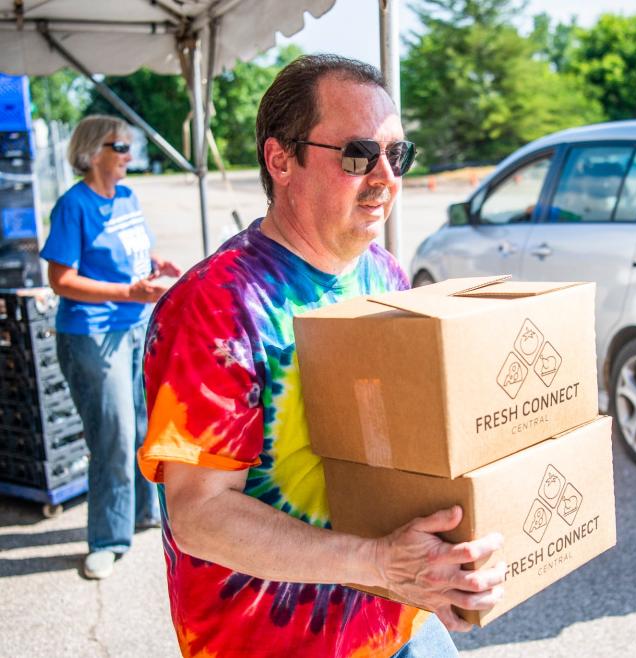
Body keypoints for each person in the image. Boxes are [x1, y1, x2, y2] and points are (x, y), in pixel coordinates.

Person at [136, 55, 506, 657]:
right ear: (281, 159)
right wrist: (380, 561)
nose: (386, 175)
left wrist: (444, 571)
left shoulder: (385, 273)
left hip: (402, 619)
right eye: (359, 154)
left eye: (399, 155)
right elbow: (199, 513)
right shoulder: (212, 306)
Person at [39, 115, 180, 580]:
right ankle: (106, 538)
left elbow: (133, 251)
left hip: (136, 327)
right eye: (119, 146)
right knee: (113, 435)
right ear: (91, 152)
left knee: (144, 425)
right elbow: (60, 280)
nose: (128, 154)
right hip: (93, 335)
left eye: (129, 145)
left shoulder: (126, 196)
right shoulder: (73, 205)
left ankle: (141, 513)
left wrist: (155, 262)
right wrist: (127, 293)